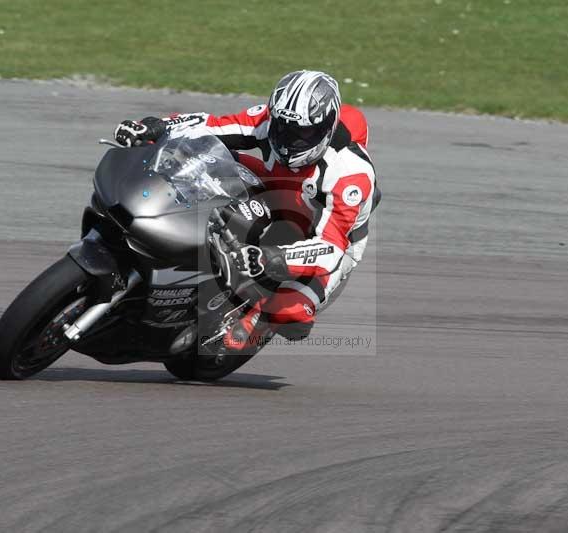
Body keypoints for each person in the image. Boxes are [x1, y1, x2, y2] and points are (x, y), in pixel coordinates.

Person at [113, 70, 379, 352]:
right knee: (197, 155)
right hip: (275, 187)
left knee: (291, 317)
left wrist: (270, 257)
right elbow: (209, 126)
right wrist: (152, 127)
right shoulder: (270, 120)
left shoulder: (351, 177)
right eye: (283, 128)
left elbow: (331, 248)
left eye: (303, 133)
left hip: (324, 237)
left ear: (326, 128)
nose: (290, 140)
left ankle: (255, 318)